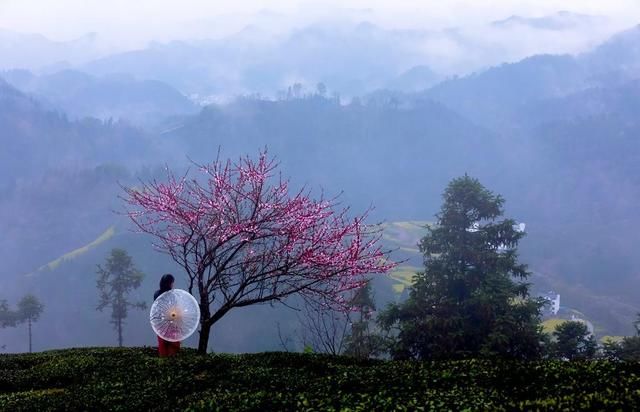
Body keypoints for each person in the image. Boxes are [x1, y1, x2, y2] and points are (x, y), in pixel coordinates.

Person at [153, 274, 181, 357]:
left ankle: (163, 363)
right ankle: (170, 363)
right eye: (172, 282)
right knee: (172, 344)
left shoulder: (157, 294)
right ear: (169, 283)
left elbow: (157, 308)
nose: (173, 285)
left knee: (162, 344)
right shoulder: (172, 295)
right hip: (171, 322)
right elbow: (174, 309)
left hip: (160, 323)